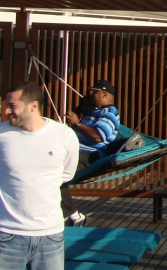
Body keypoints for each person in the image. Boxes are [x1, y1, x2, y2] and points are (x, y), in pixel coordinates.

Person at [0, 81, 79, 270]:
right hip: (7, 235)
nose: (6, 112)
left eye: (12, 106)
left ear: (33, 106)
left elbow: (66, 175)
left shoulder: (65, 135)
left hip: (51, 236)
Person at [60, 79, 120, 226]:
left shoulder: (110, 113)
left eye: (94, 91)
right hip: (74, 151)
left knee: (54, 175)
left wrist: (77, 124)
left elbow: (98, 136)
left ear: (105, 94)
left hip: (89, 155)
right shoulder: (96, 112)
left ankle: (73, 216)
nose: (91, 94)